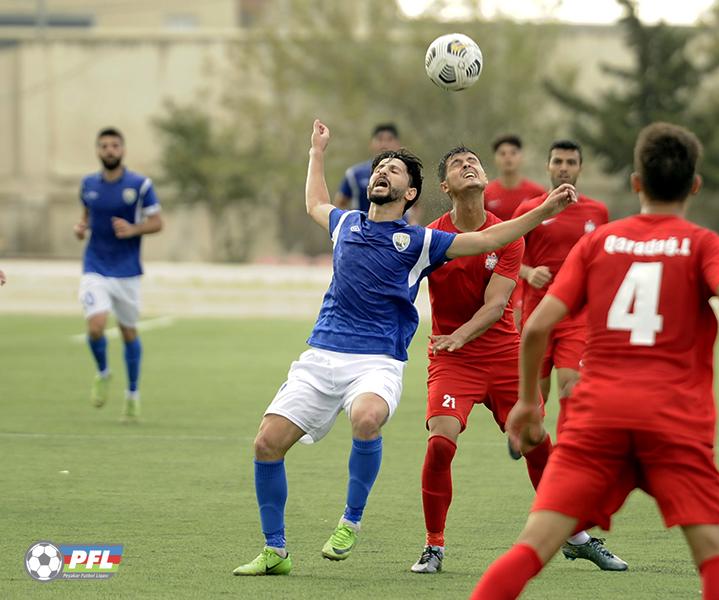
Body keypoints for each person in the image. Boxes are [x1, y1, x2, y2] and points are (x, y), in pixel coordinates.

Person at [470, 122, 719, 600]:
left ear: (635, 184)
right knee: (714, 556)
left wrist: (525, 403)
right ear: (695, 185)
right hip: (673, 419)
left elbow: (538, 326)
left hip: (598, 417)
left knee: (531, 549)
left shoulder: (598, 242)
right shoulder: (702, 244)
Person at [233, 120, 578, 577]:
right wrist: (317, 152)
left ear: (410, 193)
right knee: (265, 443)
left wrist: (543, 210)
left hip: (377, 361)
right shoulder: (346, 224)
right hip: (320, 356)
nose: (383, 173)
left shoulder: (420, 241)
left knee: (367, 417)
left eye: (395, 171)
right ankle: (275, 550)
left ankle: (350, 522)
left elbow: (491, 239)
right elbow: (315, 201)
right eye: (381, 168)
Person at [410, 147, 625, 574]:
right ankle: (434, 545)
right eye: (457, 164)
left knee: (535, 441)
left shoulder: (508, 235)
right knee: (440, 442)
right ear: (444, 187)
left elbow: (495, 306)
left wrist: (458, 336)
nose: (468, 165)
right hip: (454, 359)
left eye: (473, 160)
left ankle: (575, 536)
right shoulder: (432, 237)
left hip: (502, 354)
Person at [512, 140, 609, 430]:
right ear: (548, 166)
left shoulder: (598, 212)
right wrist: (528, 273)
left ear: (580, 168)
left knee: (572, 387)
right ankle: (529, 436)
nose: (564, 168)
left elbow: (604, 262)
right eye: (558, 162)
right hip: (537, 315)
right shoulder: (531, 209)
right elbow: (501, 255)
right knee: (538, 397)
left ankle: (565, 453)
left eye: (570, 162)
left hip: (577, 317)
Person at [75, 127, 163, 422]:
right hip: (95, 266)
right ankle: (103, 372)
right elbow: (86, 217)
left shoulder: (139, 185)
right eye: (104, 146)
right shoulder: (88, 184)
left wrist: (134, 229)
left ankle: (133, 394)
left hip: (126, 271)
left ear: (122, 150)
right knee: (96, 326)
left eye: (114, 145)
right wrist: (81, 228)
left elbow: (157, 222)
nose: (109, 150)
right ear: (98, 151)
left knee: (128, 332)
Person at [483, 134, 545, 329]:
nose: (508, 157)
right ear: (496, 158)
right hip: (492, 267)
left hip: (524, 271)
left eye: (513, 153)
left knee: (520, 325)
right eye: (502, 153)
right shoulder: (486, 194)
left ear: (521, 157)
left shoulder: (536, 193)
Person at [333, 123, 401, 213]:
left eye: (389, 139)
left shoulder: (407, 173)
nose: (384, 144)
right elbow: (340, 203)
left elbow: (416, 205)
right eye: (380, 139)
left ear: (398, 144)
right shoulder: (354, 174)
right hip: (365, 226)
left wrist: (412, 222)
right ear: (371, 143)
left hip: (397, 226)